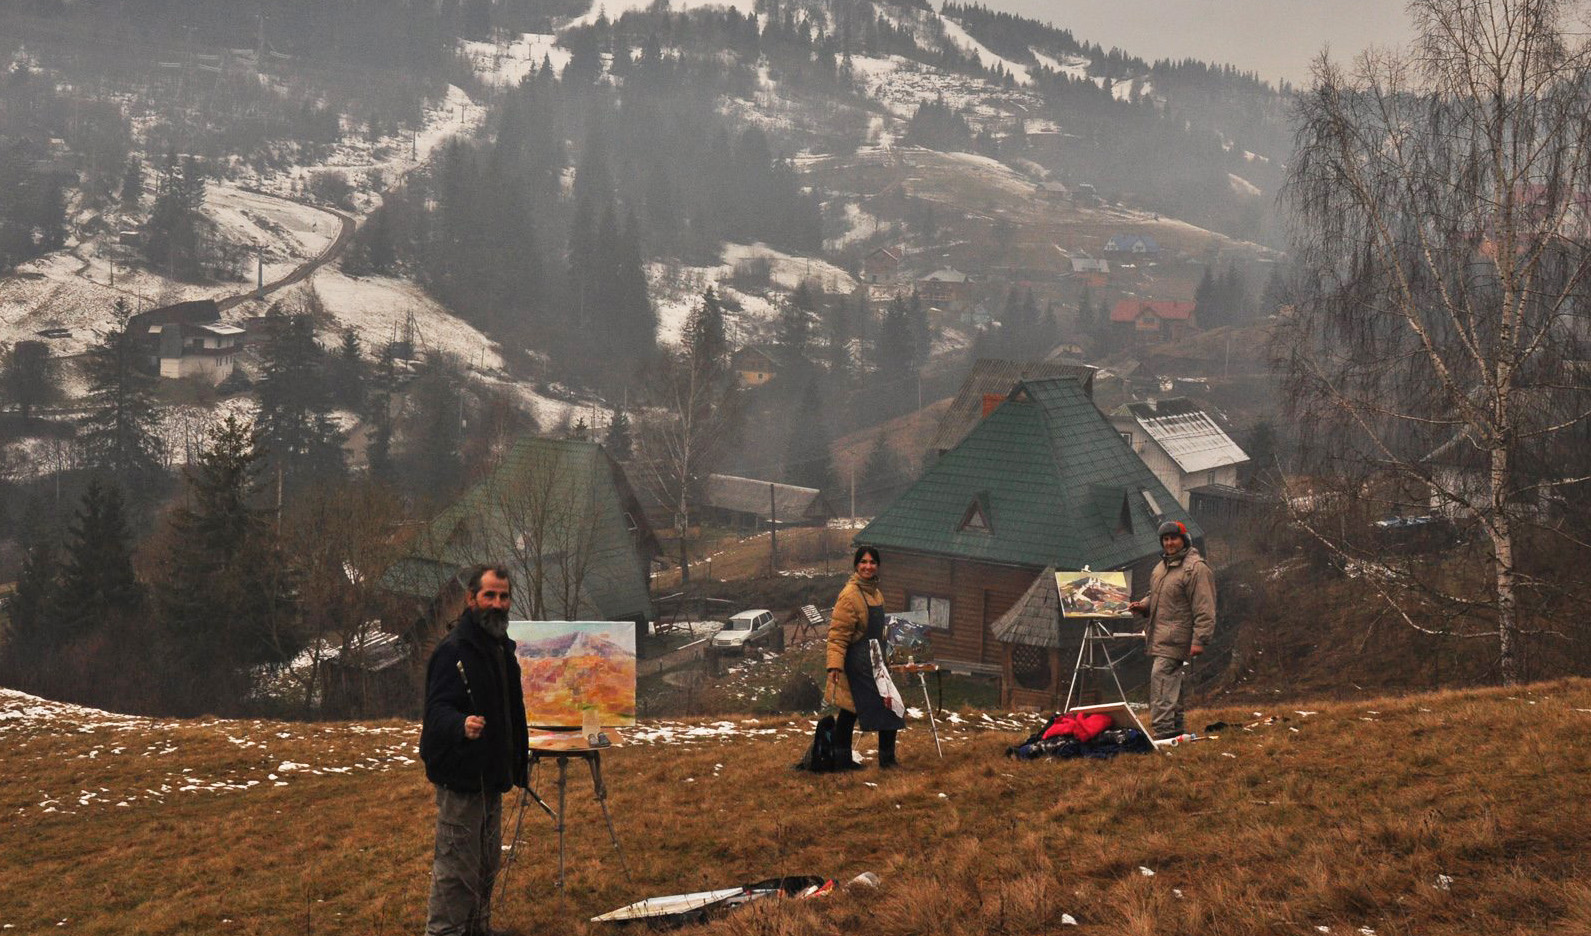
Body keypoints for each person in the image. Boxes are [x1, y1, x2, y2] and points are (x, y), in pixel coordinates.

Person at [419, 565, 530, 936]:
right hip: (462, 779)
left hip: (491, 777)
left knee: (485, 865)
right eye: (489, 596)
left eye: (503, 596)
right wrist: (459, 725)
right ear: (471, 599)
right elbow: (435, 712)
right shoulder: (454, 651)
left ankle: (478, 931)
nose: (497, 604)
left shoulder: (499, 647)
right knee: (455, 872)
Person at [1129, 521, 1216, 740]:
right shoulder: (1161, 568)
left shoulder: (1196, 569)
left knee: (1161, 680)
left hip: (1177, 637)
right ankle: (1176, 730)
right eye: (1165, 539)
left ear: (1184, 540)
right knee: (1170, 683)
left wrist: (1200, 640)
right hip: (1160, 635)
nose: (1169, 543)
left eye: (1173, 538)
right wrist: (1143, 605)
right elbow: (1158, 595)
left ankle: (1162, 732)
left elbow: (1205, 608)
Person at [826, 546, 906, 769]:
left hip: (876, 658)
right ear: (856, 565)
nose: (868, 566)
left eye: (872, 562)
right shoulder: (849, 595)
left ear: (877, 566)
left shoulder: (876, 593)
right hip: (856, 661)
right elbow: (838, 634)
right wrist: (834, 666)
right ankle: (842, 761)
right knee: (850, 708)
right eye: (863, 562)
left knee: (890, 705)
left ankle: (887, 760)